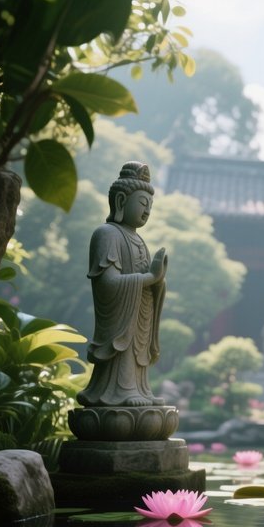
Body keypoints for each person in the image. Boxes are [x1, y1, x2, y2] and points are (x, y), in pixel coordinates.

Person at [77, 162, 168, 408]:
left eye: (150, 205)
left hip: (139, 319)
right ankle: (120, 391)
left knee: (138, 350)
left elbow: (148, 282)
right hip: (120, 325)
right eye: (142, 203)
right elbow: (107, 285)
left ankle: (140, 388)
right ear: (120, 201)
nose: (147, 210)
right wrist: (150, 278)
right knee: (123, 349)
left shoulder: (139, 240)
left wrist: (158, 281)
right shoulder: (107, 234)